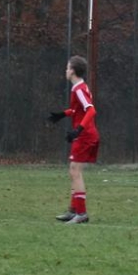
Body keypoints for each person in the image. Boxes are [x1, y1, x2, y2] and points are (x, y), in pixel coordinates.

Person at [47, 55, 100, 224]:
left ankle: (81, 213)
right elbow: (77, 110)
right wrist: (62, 114)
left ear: (73, 71)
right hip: (86, 134)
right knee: (75, 171)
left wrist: (78, 130)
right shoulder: (79, 87)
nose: (66, 70)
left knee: (74, 171)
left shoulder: (79, 89)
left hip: (85, 135)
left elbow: (91, 110)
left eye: (67, 67)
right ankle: (73, 210)